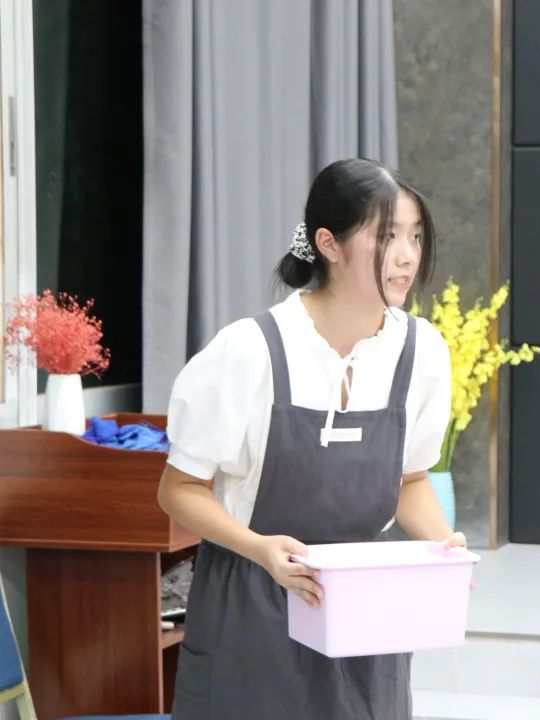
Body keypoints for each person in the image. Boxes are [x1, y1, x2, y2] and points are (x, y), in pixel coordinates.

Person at [158, 157, 459, 719]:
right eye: (386, 236)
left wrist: (445, 549)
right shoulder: (249, 350)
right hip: (253, 606)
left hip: (364, 610)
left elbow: (410, 480)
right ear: (329, 244)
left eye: (415, 236)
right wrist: (260, 549)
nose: (407, 255)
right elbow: (179, 489)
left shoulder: (422, 352)